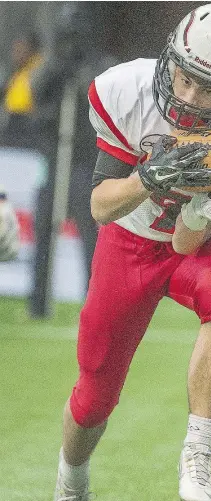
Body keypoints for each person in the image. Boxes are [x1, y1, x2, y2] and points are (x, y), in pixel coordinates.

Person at [53, 4, 211, 501]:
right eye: (184, 78)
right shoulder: (128, 89)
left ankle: (199, 452)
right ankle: (71, 480)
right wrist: (148, 178)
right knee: (94, 395)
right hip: (131, 240)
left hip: (202, 243)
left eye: (208, 88)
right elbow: (100, 206)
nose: (188, 96)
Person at [28, 3, 119, 318]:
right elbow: (34, 96)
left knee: (90, 235)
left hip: (84, 161)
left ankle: (95, 303)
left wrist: (85, 78)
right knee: (43, 227)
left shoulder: (99, 67)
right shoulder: (51, 66)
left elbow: (109, 103)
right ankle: (38, 302)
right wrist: (55, 65)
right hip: (54, 160)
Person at [0, 184, 19, 261]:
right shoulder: (8, 209)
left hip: (4, 253)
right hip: (11, 252)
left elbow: (2, 234)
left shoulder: (3, 212)